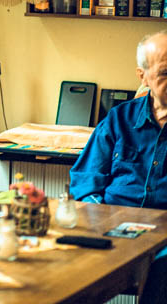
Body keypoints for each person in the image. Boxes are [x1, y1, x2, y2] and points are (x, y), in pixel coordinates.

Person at [70, 30, 167, 304]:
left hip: (165, 238)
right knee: (60, 268)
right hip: (113, 227)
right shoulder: (118, 120)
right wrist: (103, 221)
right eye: (165, 72)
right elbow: (86, 181)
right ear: (143, 76)